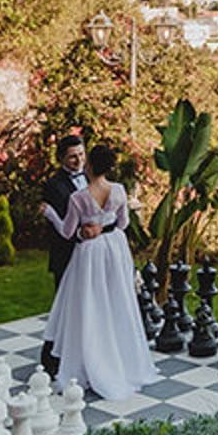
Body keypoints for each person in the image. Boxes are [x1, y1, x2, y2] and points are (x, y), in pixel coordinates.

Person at [42, 143, 156, 400]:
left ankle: (88, 362)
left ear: (90, 165)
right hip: (115, 249)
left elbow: (68, 232)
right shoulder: (118, 190)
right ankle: (121, 361)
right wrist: (105, 226)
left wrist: (51, 214)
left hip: (91, 253)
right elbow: (124, 223)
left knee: (90, 306)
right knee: (117, 302)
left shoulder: (78, 198)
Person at [37, 131, 87, 375]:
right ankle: (52, 360)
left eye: (81, 155)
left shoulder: (92, 178)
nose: (78, 161)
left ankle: (81, 356)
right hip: (66, 254)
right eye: (72, 157)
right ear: (61, 159)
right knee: (63, 310)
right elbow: (63, 227)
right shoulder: (53, 185)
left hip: (88, 254)